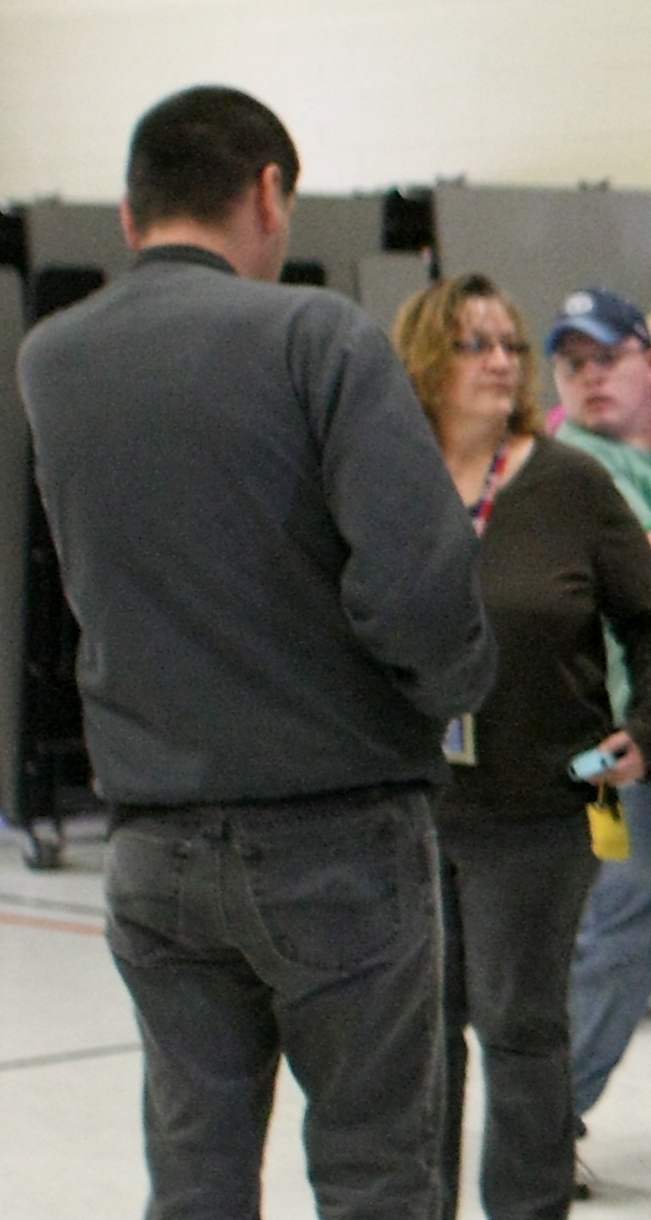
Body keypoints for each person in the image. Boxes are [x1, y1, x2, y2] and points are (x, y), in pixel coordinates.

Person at [14, 86, 495, 1219]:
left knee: (195, 1173)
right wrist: (451, 692)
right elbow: (418, 587)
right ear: (270, 193)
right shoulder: (314, 336)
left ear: (131, 216)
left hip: (152, 846)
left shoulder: (54, 361)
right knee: (379, 1170)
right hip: (333, 836)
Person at [392, 273, 651, 1220]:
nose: (500, 362)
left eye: (509, 345)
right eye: (475, 344)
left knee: (520, 1028)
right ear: (427, 359)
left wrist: (644, 731)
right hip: (406, 802)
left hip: (540, 805)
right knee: (418, 1035)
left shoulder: (566, 481)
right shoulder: (382, 471)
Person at [538, 287, 651, 1146]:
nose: (590, 379)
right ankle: (542, 1123)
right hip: (633, 744)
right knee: (623, 931)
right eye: (573, 366)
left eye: (607, 358)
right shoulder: (578, 463)